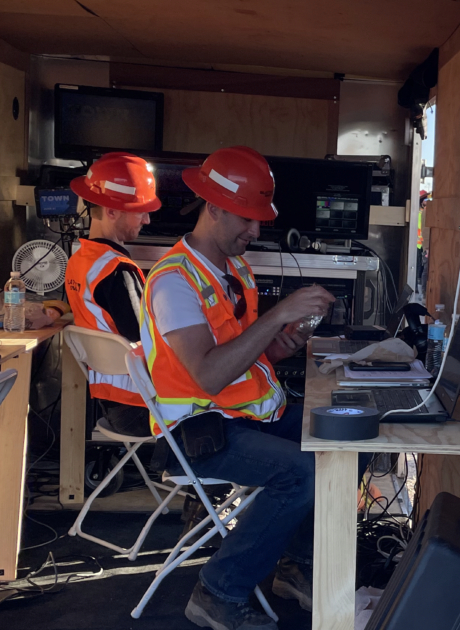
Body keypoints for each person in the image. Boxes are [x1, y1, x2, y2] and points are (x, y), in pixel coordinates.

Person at [141, 146, 339, 629]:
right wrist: (278, 314)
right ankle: (217, 591)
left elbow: (245, 357)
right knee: (301, 472)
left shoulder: (235, 270)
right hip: (200, 433)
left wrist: (282, 344)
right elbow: (209, 375)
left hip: (248, 417)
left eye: (258, 219)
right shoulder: (173, 282)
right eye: (247, 218)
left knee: (346, 439)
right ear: (213, 207)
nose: (255, 230)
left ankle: (295, 566)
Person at [64, 152, 160, 437]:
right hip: (144, 407)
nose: (147, 220)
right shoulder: (116, 270)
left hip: (112, 405)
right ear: (112, 211)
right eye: (140, 211)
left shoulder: (79, 261)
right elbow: (145, 340)